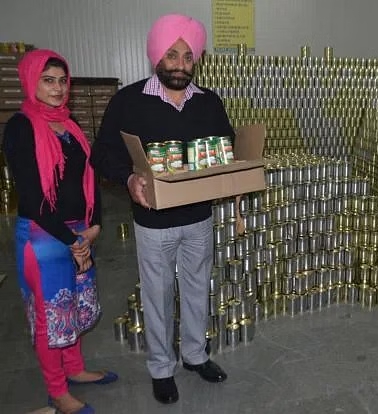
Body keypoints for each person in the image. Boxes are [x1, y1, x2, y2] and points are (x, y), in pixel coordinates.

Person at [90, 14, 233, 405]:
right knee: (156, 293)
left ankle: (194, 355)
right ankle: (160, 367)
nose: (180, 65)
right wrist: (129, 180)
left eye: (188, 57)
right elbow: (102, 153)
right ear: (157, 56)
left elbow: (227, 147)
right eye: (172, 55)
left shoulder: (209, 102)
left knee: (196, 289)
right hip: (152, 221)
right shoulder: (129, 101)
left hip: (198, 218)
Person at [2, 49, 117, 414]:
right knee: (51, 315)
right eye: (47, 80)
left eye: (61, 80)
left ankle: (75, 370)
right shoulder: (21, 127)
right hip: (42, 236)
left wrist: (93, 226)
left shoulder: (69, 124)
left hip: (78, 233)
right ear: (31, 81)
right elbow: (34, 199)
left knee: (74, 309)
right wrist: (74, 242)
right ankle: (57, 392)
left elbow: (89, 176)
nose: (56, 88)